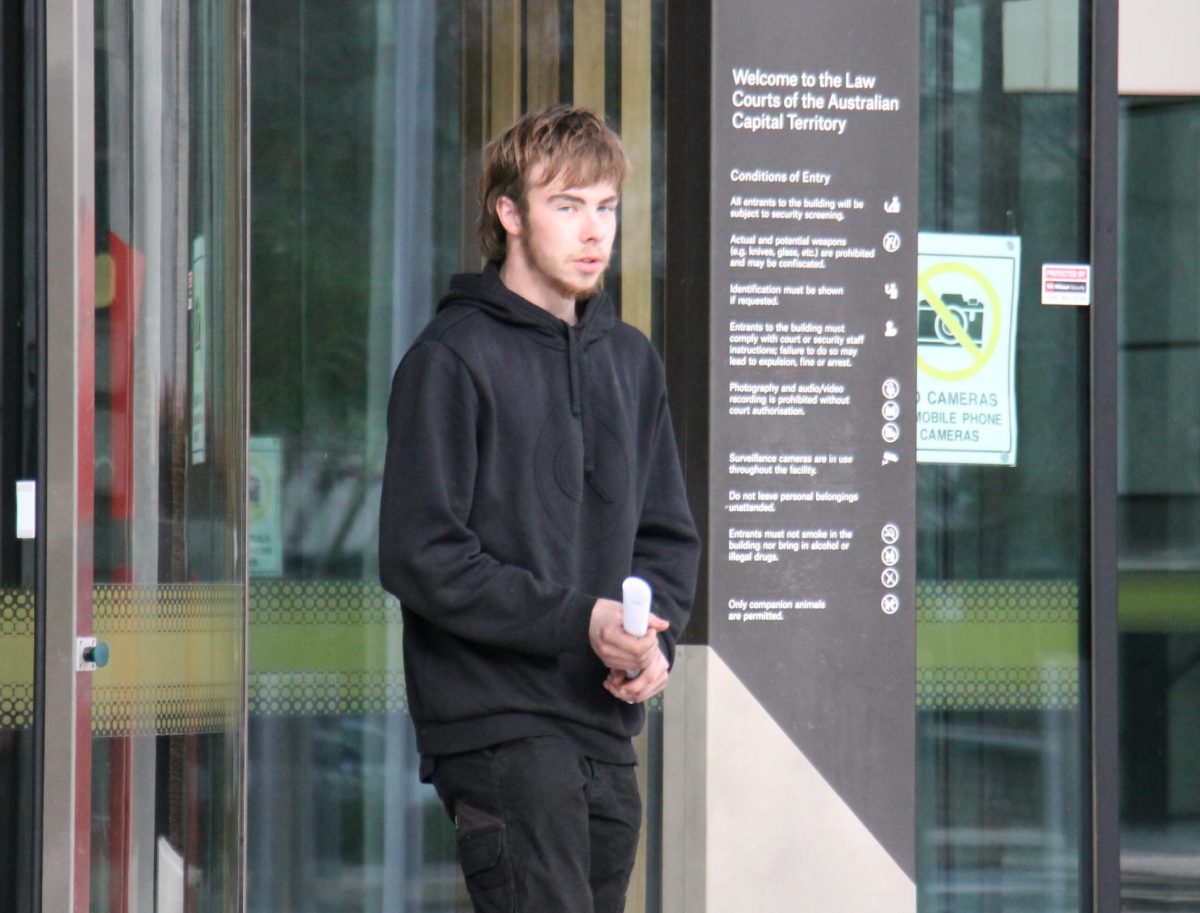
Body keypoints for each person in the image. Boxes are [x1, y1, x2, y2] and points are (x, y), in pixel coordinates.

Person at [378, 105, 701, 913]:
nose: (594, 231)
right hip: (497, 723)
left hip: (601, 722)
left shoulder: (629, 360)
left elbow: (666, 536)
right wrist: (579, 620)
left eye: (606, 206)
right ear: (510, 213)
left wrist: (651, 640)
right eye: (566, 205)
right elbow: (422, 555)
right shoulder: (450, 358)